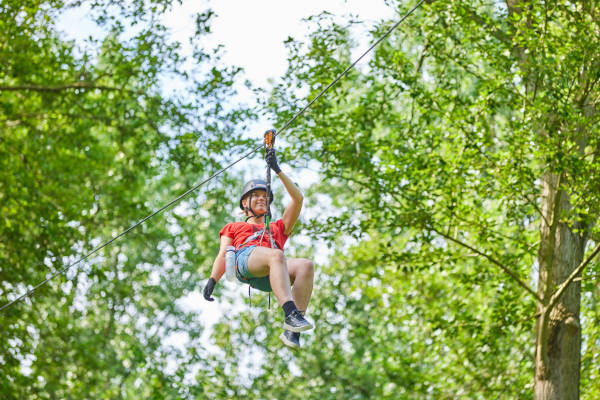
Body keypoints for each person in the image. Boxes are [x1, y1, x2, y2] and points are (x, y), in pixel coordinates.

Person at [202, 141, 315, 349]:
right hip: (246, 261)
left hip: (272, 273)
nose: (263, 199)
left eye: (266, 197)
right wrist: (212, 280)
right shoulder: (234, 227)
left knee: (305, 265)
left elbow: (298, 200)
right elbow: (222, 254)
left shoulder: (278, 228)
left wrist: (277, 170)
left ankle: (292, 331)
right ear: (245, 203)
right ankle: (290, 313)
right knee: (276, 255)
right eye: (257, 196)